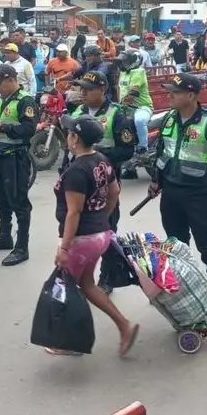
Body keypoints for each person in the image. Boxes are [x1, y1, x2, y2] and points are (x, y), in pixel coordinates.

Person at [48, 115, 139, 357]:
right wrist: (102, 219)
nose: (67, 136)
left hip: (81, 239)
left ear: (75, 138)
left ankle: (73, 342)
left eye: (69, 133)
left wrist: (65, 248)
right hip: (100, 235)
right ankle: (124, 325)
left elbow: (73, 212)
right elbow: (115, 191)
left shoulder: (76, 171)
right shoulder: (102, 160)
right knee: (86, 284)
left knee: (65, 289)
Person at [150, 72, 207, 324]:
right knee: (176, 248)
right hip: (171, 195)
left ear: (191, 95)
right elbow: (161, 152)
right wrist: (156, 181)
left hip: (198, 196)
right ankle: (186, 293)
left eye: (174, 92)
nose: (169, 96)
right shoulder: (168, 119)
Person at [68, 71, 137, 294]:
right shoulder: (78, 112)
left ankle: (107, 277)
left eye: (89, 89)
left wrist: (95, 157)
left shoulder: (118, 114)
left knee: (106, 229)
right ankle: (80, 275)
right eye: (82, 89)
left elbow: (126, 150)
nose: (84, 93)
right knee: (80, 231)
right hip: (80, 184)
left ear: (103, 90)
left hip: (105, 182)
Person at [0, 64, 37, 266]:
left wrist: (2, 127)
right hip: (0, 157)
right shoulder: (5, 99)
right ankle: (5, 236)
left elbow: (29, 129)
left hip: (16, 158)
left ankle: (22, 247)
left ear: (11, 80)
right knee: (1, 198)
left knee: (19, 202)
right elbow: (4, 121)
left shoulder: (25, 101)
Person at [116, 51, 154, 157]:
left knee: (139, 120)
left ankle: (143, 147)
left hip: (142, 107)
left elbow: (132, 93)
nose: (123, 64)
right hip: (125, 106)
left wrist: (121, 105)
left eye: (126, 61)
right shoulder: (123, 72)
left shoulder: (139, 72)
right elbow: (120, 89)